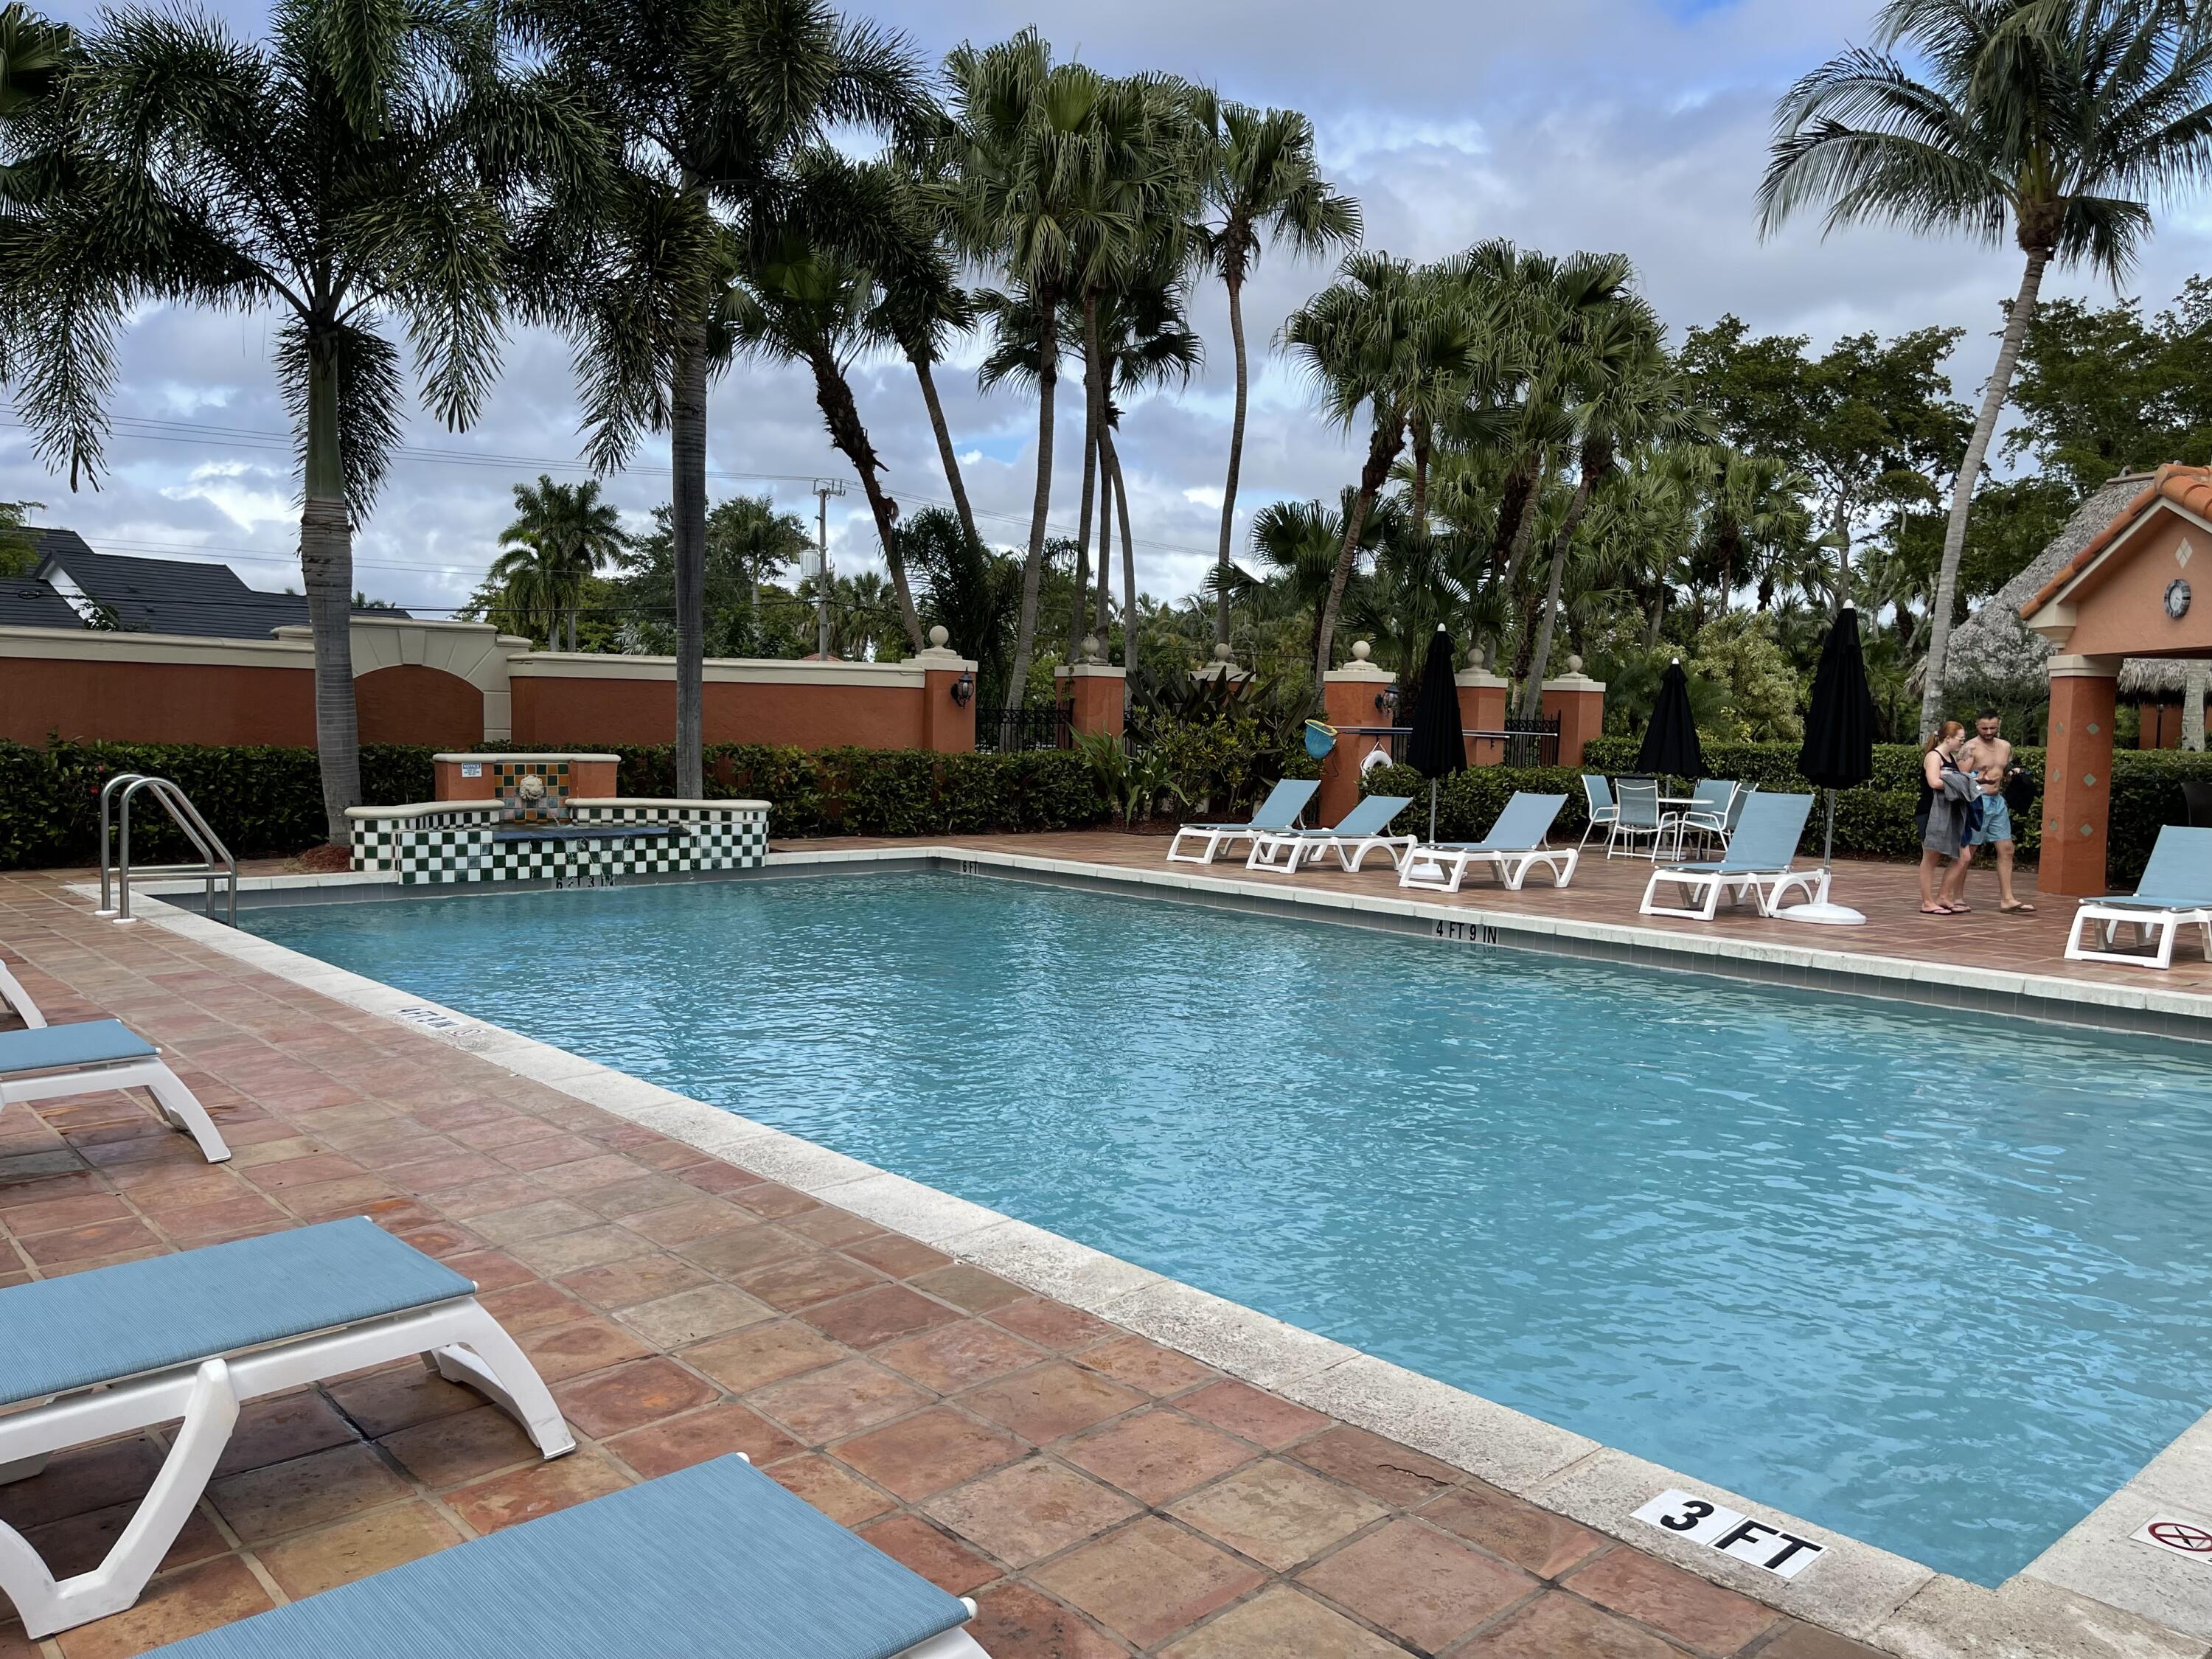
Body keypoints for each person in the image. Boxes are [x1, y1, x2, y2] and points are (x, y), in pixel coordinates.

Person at [1958, 709, 2034, 914]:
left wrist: (2014, 774)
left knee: (2007, 849)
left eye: (1993, 728)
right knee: (1968, 852)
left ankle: (2008, 899)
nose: (1989, 732)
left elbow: (2002, 769)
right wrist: (1981, 780)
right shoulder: (1970, 747)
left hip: (1997, 801)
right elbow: (1959, 778)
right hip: (1977, 800)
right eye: (1985, 728)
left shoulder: (2005, 746)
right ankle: (1957, 897)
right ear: (1977, 726)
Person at [1917, 720, 1977, 915]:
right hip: (1932, 811)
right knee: (1931, 857)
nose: (1962, 742)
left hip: (1951, 812)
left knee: (1964, 856)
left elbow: (1953, 779)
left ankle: (1943, 896)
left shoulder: (1950, 757)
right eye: (1960, 738)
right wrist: (1961, 783)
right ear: (1948, 738)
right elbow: (1934, 782)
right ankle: (1927, 902)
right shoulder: (1933, 756)